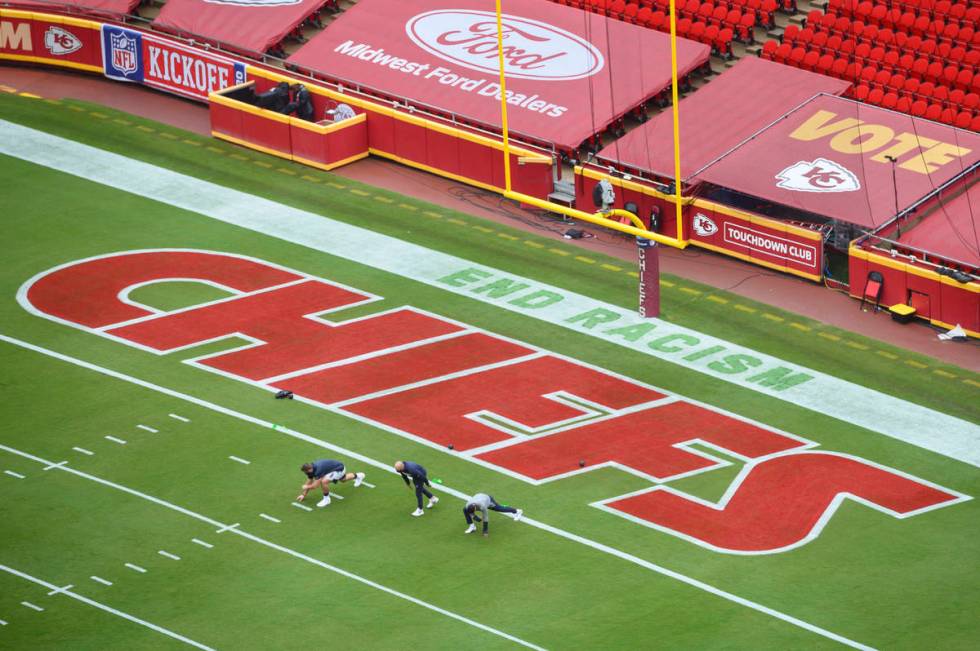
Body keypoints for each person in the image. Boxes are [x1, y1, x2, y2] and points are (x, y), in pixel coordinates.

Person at [296, 459, 365, 507]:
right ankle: (359, 476)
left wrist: (306, 487)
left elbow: (314, 486)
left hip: (339, 468)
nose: (306, 473)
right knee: (343, 479)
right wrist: (303, 495)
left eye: (306, 472)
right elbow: (309, 481)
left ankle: (326, 500)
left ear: (310, 469)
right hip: (334, 468)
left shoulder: (318, 470)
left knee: (324, 482)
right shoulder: (310, 469)